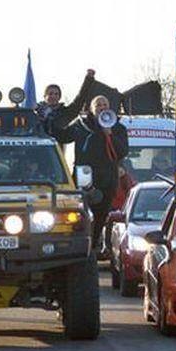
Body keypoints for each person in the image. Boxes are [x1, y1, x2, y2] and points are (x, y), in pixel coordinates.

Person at [49, 95, 129, 248]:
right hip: (84, 179)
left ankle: (93, 246)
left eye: (105, 104)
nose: (102, 107)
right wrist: (51, 120)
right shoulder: (81, 125)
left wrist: (110, 134)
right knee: (82, 215)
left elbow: (122, 151)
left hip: (107, 180)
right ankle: (81, 245)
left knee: (100, 216)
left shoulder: (118, 128)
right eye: (98, 105)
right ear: (92, 109)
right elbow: (63, 136)